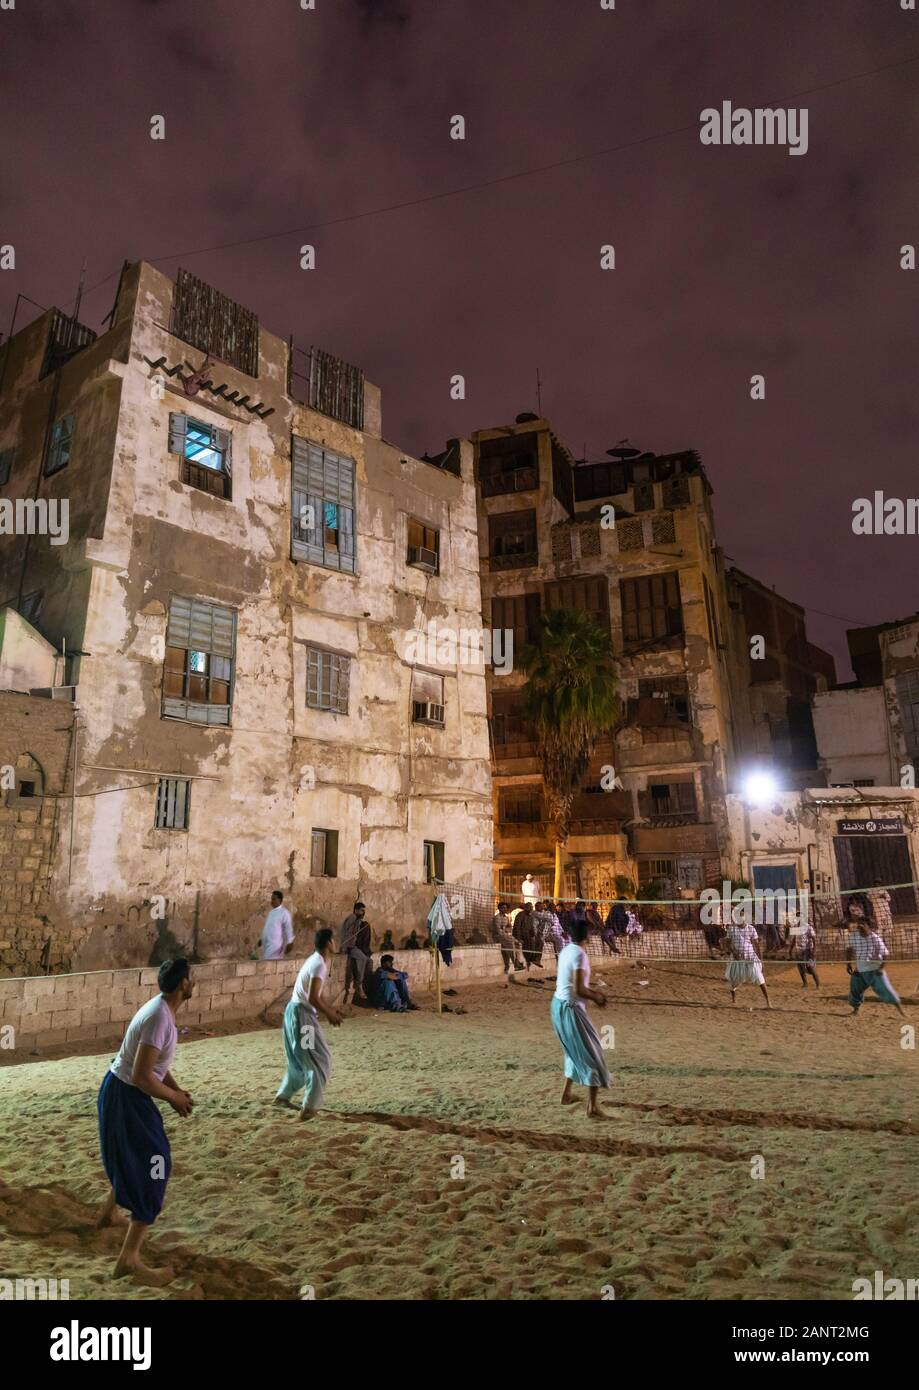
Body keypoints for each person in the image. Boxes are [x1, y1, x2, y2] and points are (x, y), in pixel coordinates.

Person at [96, 957, 195, 1286]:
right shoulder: (158, 1019)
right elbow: (141, 1075)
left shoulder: (161, 1011)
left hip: (124, 1092)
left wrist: (176, 1089)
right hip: (127, 1096)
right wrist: (173, 1098)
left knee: (137, 1156)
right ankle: (129, 1259)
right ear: (183, 984)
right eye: (191, 978)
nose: (193, 982)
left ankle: (110, 1212)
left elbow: (155, 1065)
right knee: (156, 1163)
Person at [275, 927, 342, 1118]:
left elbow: (313, 994)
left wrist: (329, 1008)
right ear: (329, 943)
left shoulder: (314, 960)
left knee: (300, 1061)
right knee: (318, 1060)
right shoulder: (319, 964)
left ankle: (283, 1096)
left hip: (295, 1013)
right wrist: (329, 1013)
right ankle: (310, 1108)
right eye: (333, 940)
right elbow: (313, 997)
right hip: (302, 1018)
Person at [551, 918, 610, 1118]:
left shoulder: (567, 950)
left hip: (558, 1005)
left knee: (573, 1052)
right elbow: (579, 989)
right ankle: (592, 1107)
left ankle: (566, 1094)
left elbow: (573, 985)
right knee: (593, 1055)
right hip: (571, 1009)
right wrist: (598, 997)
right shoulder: (580, 955)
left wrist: (591, 993)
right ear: (587, 936)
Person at [846, 917, 905, 1018]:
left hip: (875, 971)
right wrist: (848, 963)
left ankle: (901, 1011)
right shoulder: (853, 936)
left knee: (887, 991)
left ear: (869, 926)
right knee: (854, 991)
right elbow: (849, 949)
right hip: (860, 970)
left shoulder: (875, 938)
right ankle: (856, 1010)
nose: (859, 926)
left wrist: (881, 969)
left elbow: (886, 955)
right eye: (859, 923)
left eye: (862, 924)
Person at [722, 909, 771, 1008]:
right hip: (737, 959)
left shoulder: (751, 929)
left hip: (750, 957)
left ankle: (768, 1002)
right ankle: (733, 1000)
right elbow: (727, 943)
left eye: (742, 916)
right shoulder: (732, 929)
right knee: (733, 980)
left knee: (760, 978)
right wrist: (734, 952)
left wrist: (761, 960)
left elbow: (757, 946)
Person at [339, 901, 372, 1004]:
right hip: (349, 947)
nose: (363, 913)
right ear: (356, 910)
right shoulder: (352, 918)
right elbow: (346, 933)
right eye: (361, 910)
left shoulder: (357, 920)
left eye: (364, 911)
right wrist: (345, 946)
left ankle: (359, 983)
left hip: (352, 947)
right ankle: (358, 984)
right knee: (362, 958)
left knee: (367, 960)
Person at [492, 901, 525, 979]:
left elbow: (509, 927)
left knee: (518, 943)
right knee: (510, 943)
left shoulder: (506, 917)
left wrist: (509, 933)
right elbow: (498, 930)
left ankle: (517, 962)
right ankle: (516, 964)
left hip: (506, 936)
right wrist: (507, 934)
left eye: (505, 908)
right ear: (499, 908)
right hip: (498, 936)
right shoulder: (497, 917)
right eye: (503, 908)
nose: (504, 909)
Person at [787, 913, 819, 989]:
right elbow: (794, 939)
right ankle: (805, 984)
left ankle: (818, 984)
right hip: (798, 951)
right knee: (801, 968)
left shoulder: (808, 927)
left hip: (807, 951)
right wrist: (790, 950)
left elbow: (813, 938)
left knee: (810, 968)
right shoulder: (795, 927)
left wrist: (814, 949)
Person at [260, 890, 294, 961]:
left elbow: (288, 928)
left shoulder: (284, 913)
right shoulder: (271, 913)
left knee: (272, 966)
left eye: (274, 899)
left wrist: (290, 942)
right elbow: (269, 927)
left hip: (275, 946)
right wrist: (262, 939)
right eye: (271, 899)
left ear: (280, 900)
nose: (271, 901)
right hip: (267, 945)